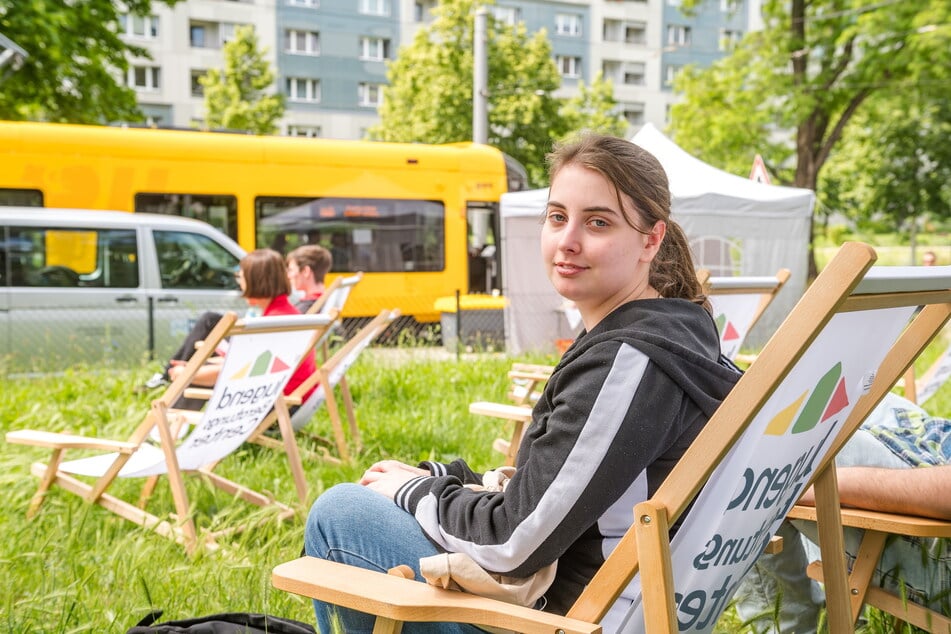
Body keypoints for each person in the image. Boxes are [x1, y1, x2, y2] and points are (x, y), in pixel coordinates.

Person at [302, 133, 743, 634]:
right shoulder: (675, 335)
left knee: (339, 513)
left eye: (597, 222)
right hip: (605, 605)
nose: (568, 240)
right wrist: (448, 481)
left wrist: (414, 491)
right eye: (557, 217)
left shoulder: (630, 363)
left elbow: (514, 544)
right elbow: (563, 488)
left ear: (651, 239)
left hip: (569, 621)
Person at [734, 392, 951, 632]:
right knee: (828, 392)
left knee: (758, 444)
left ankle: (792, 628)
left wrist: (821, 484)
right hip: (938, 446)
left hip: (938, 511)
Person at [139, 247, 328, 391]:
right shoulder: (283, 314)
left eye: (242, 277)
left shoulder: (271, 324)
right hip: (289, 395)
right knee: (202, 365)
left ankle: (168, 425)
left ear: (256, 282)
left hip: (274, 402)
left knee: (197, 372)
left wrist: (185, 374)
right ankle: (171, 421)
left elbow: (237, 371)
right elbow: (252, 364)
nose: (240, 284)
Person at [286, 244, 332, 314]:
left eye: (291, 270)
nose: (288, 276)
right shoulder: (330, 302)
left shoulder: (301, 310)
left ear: (306, 271)